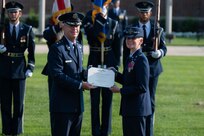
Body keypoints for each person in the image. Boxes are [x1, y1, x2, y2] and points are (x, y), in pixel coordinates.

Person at [123, 1, 167, 136]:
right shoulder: (133, 27)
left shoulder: (157, 29)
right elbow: (127, 50)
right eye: (142, 12)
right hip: (136, 68)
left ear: (151, 13)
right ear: (139, 13)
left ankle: (149, 130)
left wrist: (159, 53)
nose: (144, 14)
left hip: (152, 68)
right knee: (137, 97)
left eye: (146, 12)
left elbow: (164, 48)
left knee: (150, 100)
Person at [47, 12, 94, 136]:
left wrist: (92, 74)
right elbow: (57, 75)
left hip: (77, 106)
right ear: (63, 26)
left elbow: (77, 71)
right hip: (62, 107)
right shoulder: (57, 48)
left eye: (77, 25)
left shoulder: (78, 46)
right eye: (71, 25)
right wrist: (80, 85)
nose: (75, 29)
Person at [0, 1, 35, 135]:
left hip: (20, 70)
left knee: (19, 104)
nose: (13, 14)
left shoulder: (27, 29)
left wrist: (30, 68)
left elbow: (31, 52)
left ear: (20, 13)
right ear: (7, 13)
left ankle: (17, 131)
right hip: (4, 69)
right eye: (10, 12)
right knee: (5, 103)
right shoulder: (1, 28)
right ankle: (7, 130)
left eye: (15, 12)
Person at [83, 3, 118, 136]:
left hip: (109, 63)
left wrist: (115, 65)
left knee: (107, 100)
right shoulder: (87, 20)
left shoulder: (113, 22)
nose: (99, 6)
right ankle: (95, 131)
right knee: (95, 100)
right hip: (94, 62)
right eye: (97, 4)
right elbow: (92, 37)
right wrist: (99, 20)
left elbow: (117, 45)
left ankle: (106, 131)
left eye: (103, 4)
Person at [110, 26, 152, 136]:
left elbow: (142, 87)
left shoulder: (141, 59)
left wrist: (120, 90)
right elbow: (128, 80)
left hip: (138, 109)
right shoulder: (131, 57)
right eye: (127, 38)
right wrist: (114, 74)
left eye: (133, 38)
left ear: (141, 41)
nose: (129, 40)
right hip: (130, 108)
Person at [108, 0, 128, 67]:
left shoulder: (123, 12)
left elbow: (125, 24)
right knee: (112, 49)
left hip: (120, 34)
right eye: (115, 2)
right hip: (112, 34)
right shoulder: (109, 12)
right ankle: (111, 63)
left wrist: (123, 33)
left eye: (117, 2)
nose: (116, 4)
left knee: (118, 50)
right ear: (113, 3)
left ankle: (118, 64)